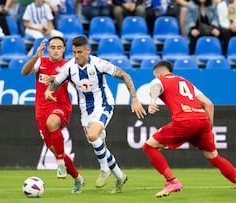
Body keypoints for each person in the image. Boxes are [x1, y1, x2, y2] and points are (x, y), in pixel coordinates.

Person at [44, 35, 147, 193]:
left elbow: (125, 75)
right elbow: (56, 83)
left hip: (104, 104)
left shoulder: (99, 64)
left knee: (93, 136)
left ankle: (104, 169)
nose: (76, 56)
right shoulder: (69, 67)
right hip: (86, 111)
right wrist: (49, 91)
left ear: (87, 51)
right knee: (100, 146)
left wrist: (134, 98)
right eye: (74, 52)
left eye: (80, 52)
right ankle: (120, 177)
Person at [142, 60, 236, 199]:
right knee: (214, 157)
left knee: (149, 147)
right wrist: (210, 128)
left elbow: (156, 86)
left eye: (155, 75)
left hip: (184, 120)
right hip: (202, 121)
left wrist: (153, 101)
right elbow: (209, 104)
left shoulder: (159, 80)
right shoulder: (186, 82)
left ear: (158, 72)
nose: (155, 78)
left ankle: (172, 181)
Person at [21, 36, 85, 194]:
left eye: (59, 47)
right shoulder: (41, 62)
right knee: (56, 150)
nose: (56, 50)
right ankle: (78, 178)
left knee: (52, 124)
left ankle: (60, 161)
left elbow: (78, 81)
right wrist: (36, 55)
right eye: (53, 47)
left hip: (60, 107)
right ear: (48, 48)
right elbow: (24, 72)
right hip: (41, 111)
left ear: (64, 49)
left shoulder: (68, 65)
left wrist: (57, 79)